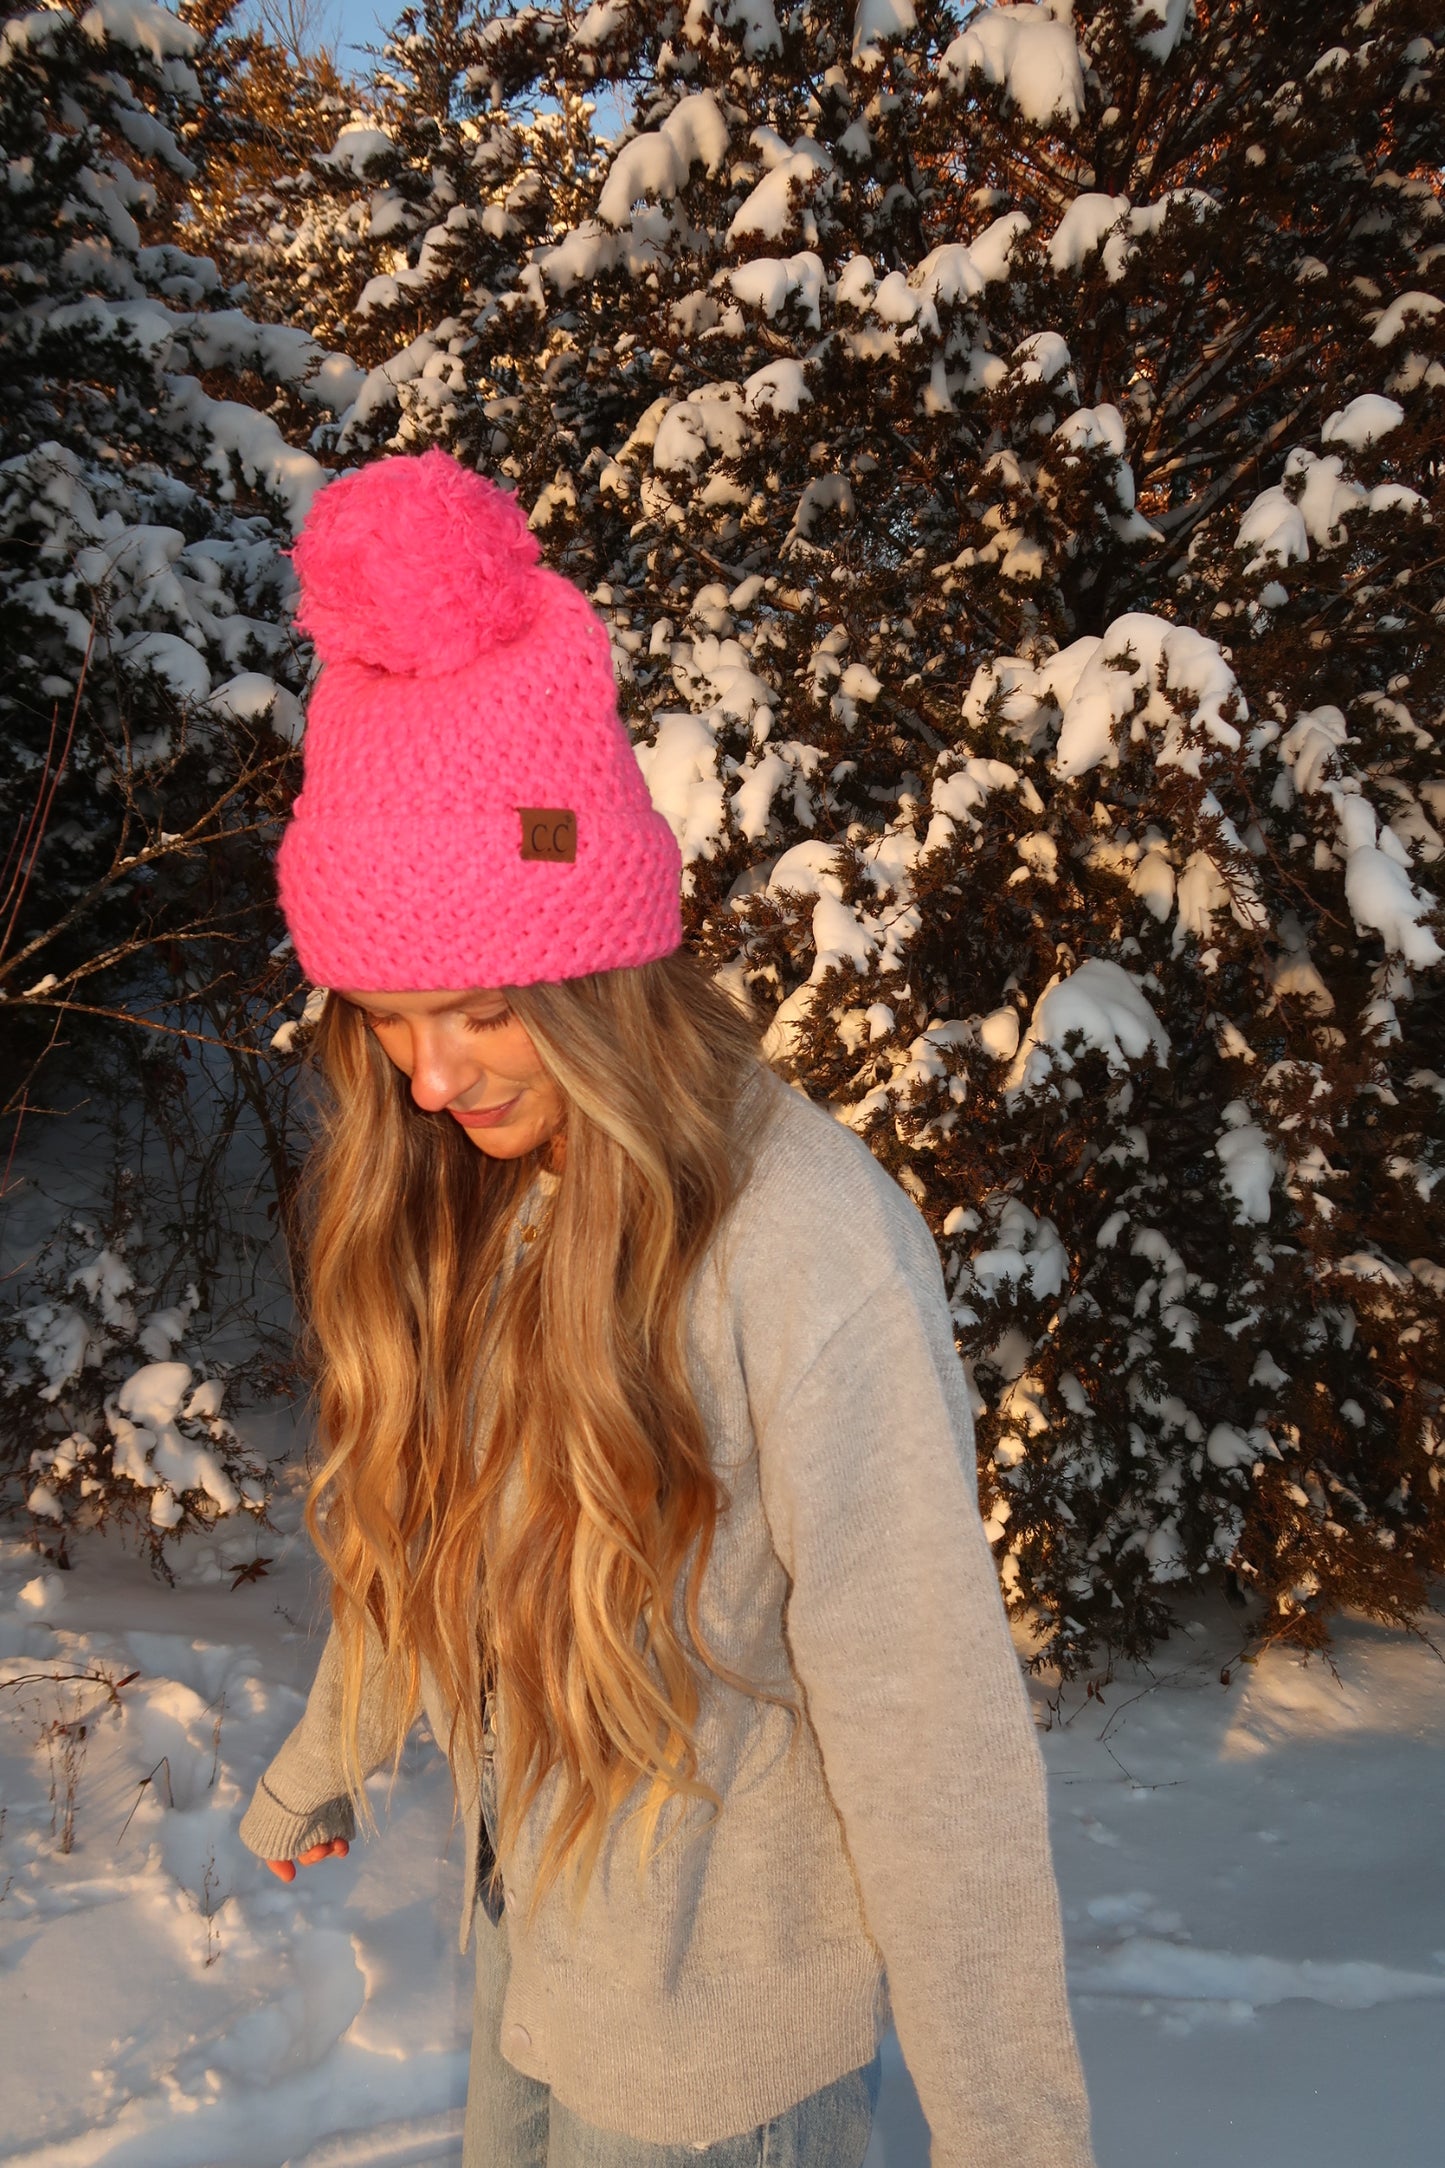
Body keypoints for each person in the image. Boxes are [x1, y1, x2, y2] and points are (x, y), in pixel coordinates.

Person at [238, 446, 1098, 2168]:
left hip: (716, 2063)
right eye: (387, 1019)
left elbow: (928, 1723)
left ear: (599, 968)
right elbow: (441, 1517)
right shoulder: (496, 1189)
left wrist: (1017, 2140)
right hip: (532, 1963)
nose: (424, 1078)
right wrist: (328, 1753)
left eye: (475, 1009)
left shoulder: (803, 1241)